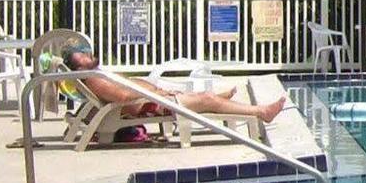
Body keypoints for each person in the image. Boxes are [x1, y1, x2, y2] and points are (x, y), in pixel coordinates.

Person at [61, 49, 289, 125]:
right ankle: (261, 112)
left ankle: (217, 98)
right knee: (207, 101)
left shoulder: (95, 75)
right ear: (75, 66)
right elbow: (123, 95)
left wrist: (152, 88)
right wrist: (154, 90)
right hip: (149, 106)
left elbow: (127, 88)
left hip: (150, 100)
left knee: (206, 97)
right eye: (81, 55)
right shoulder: (92, 78)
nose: (87, 53)